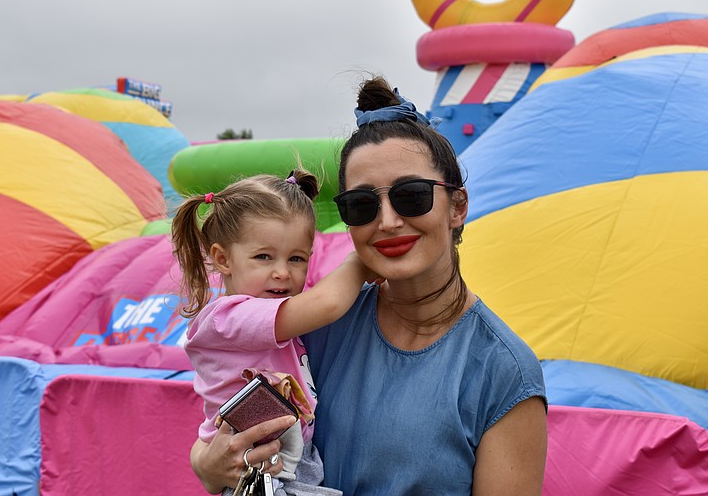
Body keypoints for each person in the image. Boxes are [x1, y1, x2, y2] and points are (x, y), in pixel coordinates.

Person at [189, 77, 548, 495]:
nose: (388, 220)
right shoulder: (316, 327)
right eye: (361, 205)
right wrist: (207, 465)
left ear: (458, 207)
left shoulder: (501, 370)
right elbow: (222, 422)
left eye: (411, 196)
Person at [173, 169, 376, 495]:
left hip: (286, 458)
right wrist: (362, 262)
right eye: (263, 257)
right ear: (223, 259)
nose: (282, 272)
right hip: (259, 466)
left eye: (296, 258)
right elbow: (326, 304)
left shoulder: (268, 317)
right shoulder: (229, 318)